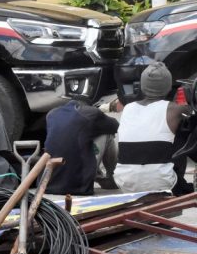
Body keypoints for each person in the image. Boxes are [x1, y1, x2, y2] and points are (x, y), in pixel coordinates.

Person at [115, 62, 193, 195]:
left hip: (124, 181)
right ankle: (179, 188)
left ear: (143, 86)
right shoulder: (175, 109)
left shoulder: (128, 108)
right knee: (182, 136)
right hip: (162, 183)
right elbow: (192, 114)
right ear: (168, 87)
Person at [44, 98, 119, 195]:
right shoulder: (90, 113)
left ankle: (97, 173)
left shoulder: (51, 114)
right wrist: (101, 112)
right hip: (80, 187)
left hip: (49, 185)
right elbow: (116, 126)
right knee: (107, 133)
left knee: (74, 136)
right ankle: (109, 177)